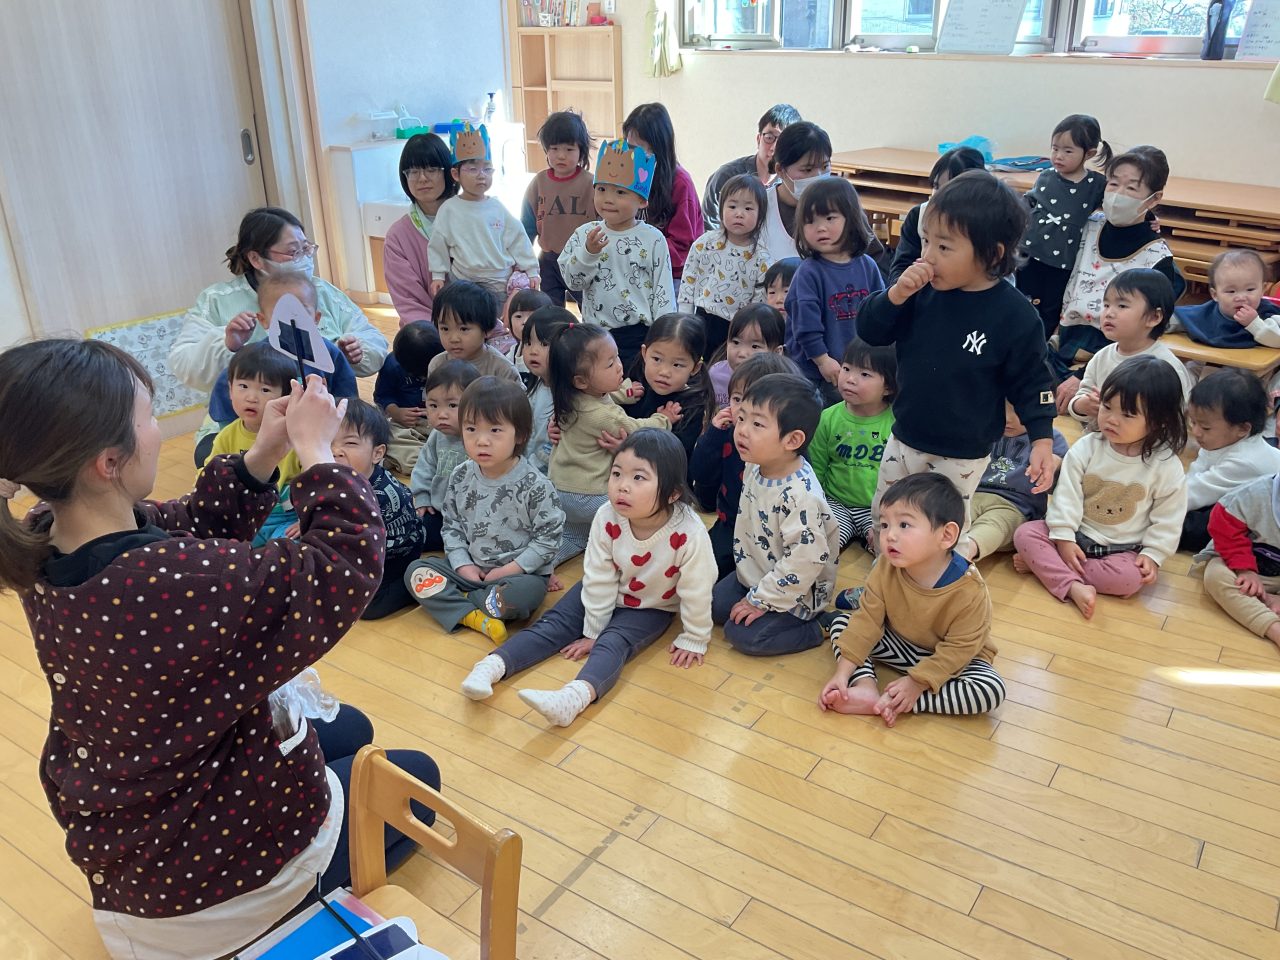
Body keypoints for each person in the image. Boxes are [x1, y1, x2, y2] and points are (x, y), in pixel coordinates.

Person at [0, 341, 438, 960]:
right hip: (216, 887)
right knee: (418, 779)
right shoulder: (172, 581)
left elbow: (183, 523)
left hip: (130, 835)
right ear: (109, 462)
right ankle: (281, 914)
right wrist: (318, 454)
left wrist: (265, 453)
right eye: (149, 417)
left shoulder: (43, 542)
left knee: (353, 730)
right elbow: (340, 566)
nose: (158, 430)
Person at [460, 429, 717, 727]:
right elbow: (598, 574)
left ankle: (574, 699)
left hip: (650, 606)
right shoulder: (607, 515)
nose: (622, 486)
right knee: (553, 624)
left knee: (613, 643)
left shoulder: (689, 532)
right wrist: (592, 629)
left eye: (639, 477)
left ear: (672, 493)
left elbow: (698, 588)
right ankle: (491, 666)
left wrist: (695, 637)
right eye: (617, 473)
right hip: (601, 589)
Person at [859, 171, 1057, 534]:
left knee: (941, 532)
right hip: (904, 437)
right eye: (926, 242)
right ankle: (885, 570)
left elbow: (1032, 382)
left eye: (944, 247)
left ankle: (947, 573)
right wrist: (895, 295)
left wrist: (1042, 440)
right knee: (886, 519)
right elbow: (870, 331)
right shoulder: (918, 293)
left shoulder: (1015, 315)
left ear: (992, 253)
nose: (927, 257)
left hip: (962, 453)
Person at [821, 474, 1005, 726]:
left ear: (946, 535)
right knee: (842, 623)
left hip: (954, 660)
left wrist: (916, 684)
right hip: (902, 645)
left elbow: (960, 649)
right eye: (885, 525)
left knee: (990, 689)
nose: (889, 535)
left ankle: (901, 701)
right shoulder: (885, 567)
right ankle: (865, 686)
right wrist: (842, 675)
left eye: (904, 525)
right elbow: (867, 621)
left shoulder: (969, 590)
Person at [1013, 357, 1188, 620]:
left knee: (1130, 579)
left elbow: (1169, 517)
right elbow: (1066, 494)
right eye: (1107, 407)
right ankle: (1070, 584)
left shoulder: (1166, 466)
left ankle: (1047, 567)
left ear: (1159, 421)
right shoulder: (1088, 446)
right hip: (1075, 533)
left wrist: (1154, 554)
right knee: (1025, 533)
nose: (1112, 420)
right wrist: (1064, 537)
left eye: (1127, 415)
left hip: (1121, 548)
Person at [406, 377, 564, 643]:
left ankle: (459, 602)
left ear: (520, 434)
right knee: (415, 571)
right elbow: (452, 526)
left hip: (517, 577)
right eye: (471, 429)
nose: (481, 441)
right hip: (470, 571)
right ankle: (476, 614)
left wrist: (509, 570)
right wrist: (463, 564)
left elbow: (548, 539)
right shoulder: (460, 475)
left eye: (495, 430)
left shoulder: (536, 484)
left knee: (522, 597)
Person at [170, 205, 387, 392]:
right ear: (256, 258)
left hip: (321, 409)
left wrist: (357, 351)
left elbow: (372, 339)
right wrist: (227, 345)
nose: (304, 258)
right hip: (247, 415)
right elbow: (184, 365)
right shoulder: (217, 300)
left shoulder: (320, 291)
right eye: (293, 252)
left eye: (306, 249)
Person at [712, 373, 840, 655]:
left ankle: (817, 626)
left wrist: (760, 601)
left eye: (757, 424)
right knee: (714, 607)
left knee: (743, 636)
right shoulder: (757, 464)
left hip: (798, 589)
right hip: (756, 571)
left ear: (792, 440)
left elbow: (804, 562)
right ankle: (757, 595)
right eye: (741, 418)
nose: (742, 430)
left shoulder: (801, 497)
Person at [1051, 146, 1185, 405]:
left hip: (1111, 364)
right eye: (1113, 184)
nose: (1118, 195)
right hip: (1062, 346)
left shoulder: (1157, 259)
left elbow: (1142, 342)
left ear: (1154, 199)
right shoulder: (1089, 225)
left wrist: (1083, 375)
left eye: (1131, 188)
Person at [195, 269, 359, 466]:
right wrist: (234, 436)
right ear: (263, 320)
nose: (292, 319)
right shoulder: (256, 357)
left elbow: (347, 401)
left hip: (319, 442)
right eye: (282, 312)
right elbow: (227, 394)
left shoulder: (328, 354)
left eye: (301, 311)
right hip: (265, 443)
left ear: (316, 318)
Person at [547, 323, 680, 564]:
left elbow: (603, 394)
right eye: (610, 364)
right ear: (581, 381)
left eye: (617, 357)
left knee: (574, 536)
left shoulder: (569, 397)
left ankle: (545, 563)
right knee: (634, 514)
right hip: (590, 494)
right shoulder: (604, 417)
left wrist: (626, 392)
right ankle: (629, 560)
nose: (619, 366)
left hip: (561, 488)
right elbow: (637, 429)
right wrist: (664, 419)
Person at [558, 139, 675, 371]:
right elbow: (573, 282)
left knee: (635, 388)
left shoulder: (653, 239)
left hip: (639, 337)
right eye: (601, 189)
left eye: (620, 192)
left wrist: (664, 338)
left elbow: (663, 293)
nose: (608, 199)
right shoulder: (585, 234)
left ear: (641, 200)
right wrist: (588, 253)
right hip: (595, 336)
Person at [693, 352, 804, 577]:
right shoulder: (727, 434)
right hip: (730, 525)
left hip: (772, 536)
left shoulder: (786, 445)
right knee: (701, 570)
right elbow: (700, 473)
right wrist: (712, 436)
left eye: (755, 404)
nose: (742, 410)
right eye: (737, 399)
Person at [784, 177, 885, 403]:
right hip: (815, 372)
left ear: (851, 219)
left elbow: (878, 312)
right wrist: (822, 359)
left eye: (830, 218)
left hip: (857, 367)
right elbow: (805, 326)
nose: (820, 228)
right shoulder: (809, 272)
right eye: (810, 221)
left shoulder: (867, 265)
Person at [1018, 115, 1112, 336]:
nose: (1058, 156)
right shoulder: (1046, 176)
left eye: (1068, 151)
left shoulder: (1095, 184)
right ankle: (1017, 337)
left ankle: (1041, 343)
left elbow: (1112, 203)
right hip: (1030, 252)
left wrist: (1149, 218)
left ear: (1089, 154)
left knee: (1051, 307)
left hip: (1063, 262)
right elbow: (1030, 201)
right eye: (1055, 148)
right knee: (1022, 299)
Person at [331, 399, 426, 619]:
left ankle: (420, 577)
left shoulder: (380, 496)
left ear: (377, 453)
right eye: (327, 441)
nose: (336, 451)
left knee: (368, 607)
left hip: (394, 553)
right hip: (356, 547)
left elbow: (372, 549)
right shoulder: (330, 476)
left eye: (350, 443)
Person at [1065, 269, 1194, 427]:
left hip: (1147, 442)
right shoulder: (1102, 356)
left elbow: (1176, 418)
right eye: (1106, 305)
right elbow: (1082, 395)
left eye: (1122, 305)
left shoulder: (1167, 366)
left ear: (1154, 317)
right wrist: (1082, 405)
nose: (1109, 313)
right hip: (1099, 437)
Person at [205, 342, 304, 546]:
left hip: (287, 518)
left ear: (285, 397)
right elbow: (209, 475)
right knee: (220, 545)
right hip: (245, 515)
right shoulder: (227, 436)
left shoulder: (294, 434)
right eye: (243, 386)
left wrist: (308, 518)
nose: (251, 398)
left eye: (265, 389)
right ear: (230, 390)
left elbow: (315, 479)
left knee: (286, 549)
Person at [428, 123, 539, 302]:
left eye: (487, 169)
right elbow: (438, 243)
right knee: (467, 318)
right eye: (473, 169)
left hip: (499, 285)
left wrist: (532, 270)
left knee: (500, 320)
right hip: (464, 284)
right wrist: (438, 275)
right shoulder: (449, 210)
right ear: (455, 174)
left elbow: (519, 239)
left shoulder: (498, 207)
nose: (482, 175)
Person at [809, 339, 897, 552]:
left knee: (889, 551)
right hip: (836, 503)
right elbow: (816, 469)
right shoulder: (827, 418)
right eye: (846, 368)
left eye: (864, 374)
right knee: (819, 549)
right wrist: (816, 508)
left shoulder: (897, 424)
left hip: (879, 508)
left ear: (887, 387)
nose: (849, 379)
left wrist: (887, 519)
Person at [956, 402, 1068, 562]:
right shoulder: (985, 430)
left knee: (994, 525)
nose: (1008, 418)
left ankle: (963, 555)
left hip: (1015, 506)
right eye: (1001, 409)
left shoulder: (1051, 439)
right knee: (951, 519)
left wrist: (1052, 465)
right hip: (973, 496)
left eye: (1018, 411)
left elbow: (1059, 467)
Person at [1183, 370, 1280, 552]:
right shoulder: (1221, 441)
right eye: (1193, 422)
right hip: (1242, 500)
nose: (1195, 432)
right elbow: (1196, 476)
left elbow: (1191, 495)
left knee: (1195, 528)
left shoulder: (1244, 462)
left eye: (1205, 427)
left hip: (1271, 519)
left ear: (1242, 429)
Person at [760, 121, 883, 265]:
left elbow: (875, 259)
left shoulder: (843, 204)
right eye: (807, 170)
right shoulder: (759, 207)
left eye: (825, 167)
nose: (818, 176)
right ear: (780, 170)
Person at [678, 174, 771, 359]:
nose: (739, 213)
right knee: (696, 363)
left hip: (736, 328)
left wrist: (750, 329)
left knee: (723, 368)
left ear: (761, 215)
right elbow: (689, 279)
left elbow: (760, 298)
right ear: (721, 209)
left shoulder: (761, 257)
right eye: (732, 206)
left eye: (748, 208)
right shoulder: (705, 243)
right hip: (701, 317)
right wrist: (685, 316)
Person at [622, 102, 704, 285]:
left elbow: (683, 246)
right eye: (629, 147)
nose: (633, 156)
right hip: (638, 268)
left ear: (658, 148)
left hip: (672, 275)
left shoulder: (680, 183)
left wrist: (638, 252)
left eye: (639, 149)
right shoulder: (629, 173)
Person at [521, 111, 597, 307]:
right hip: (548, 260)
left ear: (581, 151)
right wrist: (522, 262)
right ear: (546, 149)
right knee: (550, 309)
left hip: (582, 259)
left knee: (589, 307)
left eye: (569, 149)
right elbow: (526, 228)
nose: (561, 155)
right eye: (554, 149)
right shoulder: (538, 183)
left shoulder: (592, 184)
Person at [1198, 473, 1280, 652]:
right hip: (1238, 566)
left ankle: (1267, 602)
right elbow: (1223, 525)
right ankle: (1273, 628)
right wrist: (1245, 570)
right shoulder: (1253, 495)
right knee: (1215, 576)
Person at [620, 313, 714, 464]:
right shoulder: (634, 380)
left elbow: (675, 457)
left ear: (695, 368)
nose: (664, 372)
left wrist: (622, 448)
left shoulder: (693, 404)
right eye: (657, 359)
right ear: (645, 353)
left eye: (677, 364)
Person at [384, 132, 457, 326]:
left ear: (449, 172)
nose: (422, 178)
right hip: (426, 330)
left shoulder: (473, 218)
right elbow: (409, 303)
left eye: (431, 169)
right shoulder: (398, 236)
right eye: (413, 171)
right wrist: (445, 332)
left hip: (481, 324)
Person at [887, 146, 986, 285]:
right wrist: (908, 281)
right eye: (936, 186)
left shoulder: (986, 221)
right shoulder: (918, 216)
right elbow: (899, 268)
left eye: (951, 189)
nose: (940, 196)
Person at [411, 359, 482, 549]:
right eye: (433, 406)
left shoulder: (483, 439)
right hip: (440, 512)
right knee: (416, 536)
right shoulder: (437, 436)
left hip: (476, 518)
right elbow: (424, 467)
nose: (441, 414)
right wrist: (422, 497)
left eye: (452, 406)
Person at [701, 104, 801, 230]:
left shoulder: (794, 183)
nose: (774, 148)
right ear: (758, 139)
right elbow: (708, 227)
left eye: (783, 141)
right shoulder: (727, 176)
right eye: (769, 138)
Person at [374, 320, 444, 475]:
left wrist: (440, 411)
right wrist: (396, 412)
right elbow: (382, 396)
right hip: (405, 426)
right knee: (383, 432)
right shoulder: (392, 365)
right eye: (420, 375)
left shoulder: (448, 363)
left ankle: (426, 459)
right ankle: (432, 460)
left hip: (440, 423)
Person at [1173, 250, 1279, 348]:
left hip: (1252, 361)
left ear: (1263, 289)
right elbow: (1180, 318)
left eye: (1250, 289)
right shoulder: (1207, 312)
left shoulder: (1270, 313)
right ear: (1215, 295)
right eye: (1231, 291)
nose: (1241, 297)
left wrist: (1255, 323)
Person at [426, 280, 520, 382]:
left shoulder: (502, 370)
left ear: (487, 329)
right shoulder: (437, 365)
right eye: (445, 329)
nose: (454, 339)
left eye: (463, 329)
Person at [520, 305, 571, 475]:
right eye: (528, 343)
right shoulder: (533, 388)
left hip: (554, 473)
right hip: (529, 467)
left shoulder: (571, 396)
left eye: (544, 344)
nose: (533, 351)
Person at [706, 302, 785, 408]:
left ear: (776, 352)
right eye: (736, 342)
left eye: (755, 346)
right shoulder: (716, 374)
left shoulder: (780, 384)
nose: (742, 353)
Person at [499, 288, 553, 371]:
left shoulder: (550, 351)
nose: (525, 322)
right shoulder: (514, 351)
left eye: (532, 316)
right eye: (518, 316)